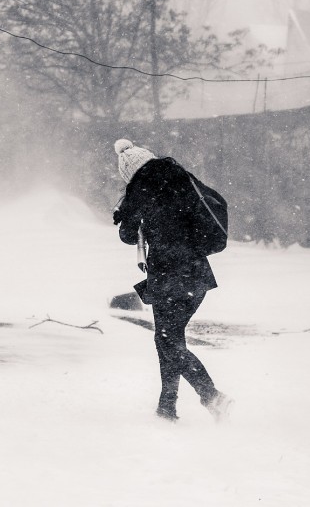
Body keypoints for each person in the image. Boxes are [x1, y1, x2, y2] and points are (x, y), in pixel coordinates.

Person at [111, 139, 231, 422]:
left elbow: (128, 236)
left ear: (130, 172)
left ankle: (211, 396)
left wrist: (126, 213)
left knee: (168, 341)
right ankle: (167, 408)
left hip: (168, 274)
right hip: (197, 273)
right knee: (169, 339)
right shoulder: (181, 178)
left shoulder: (140, 191)